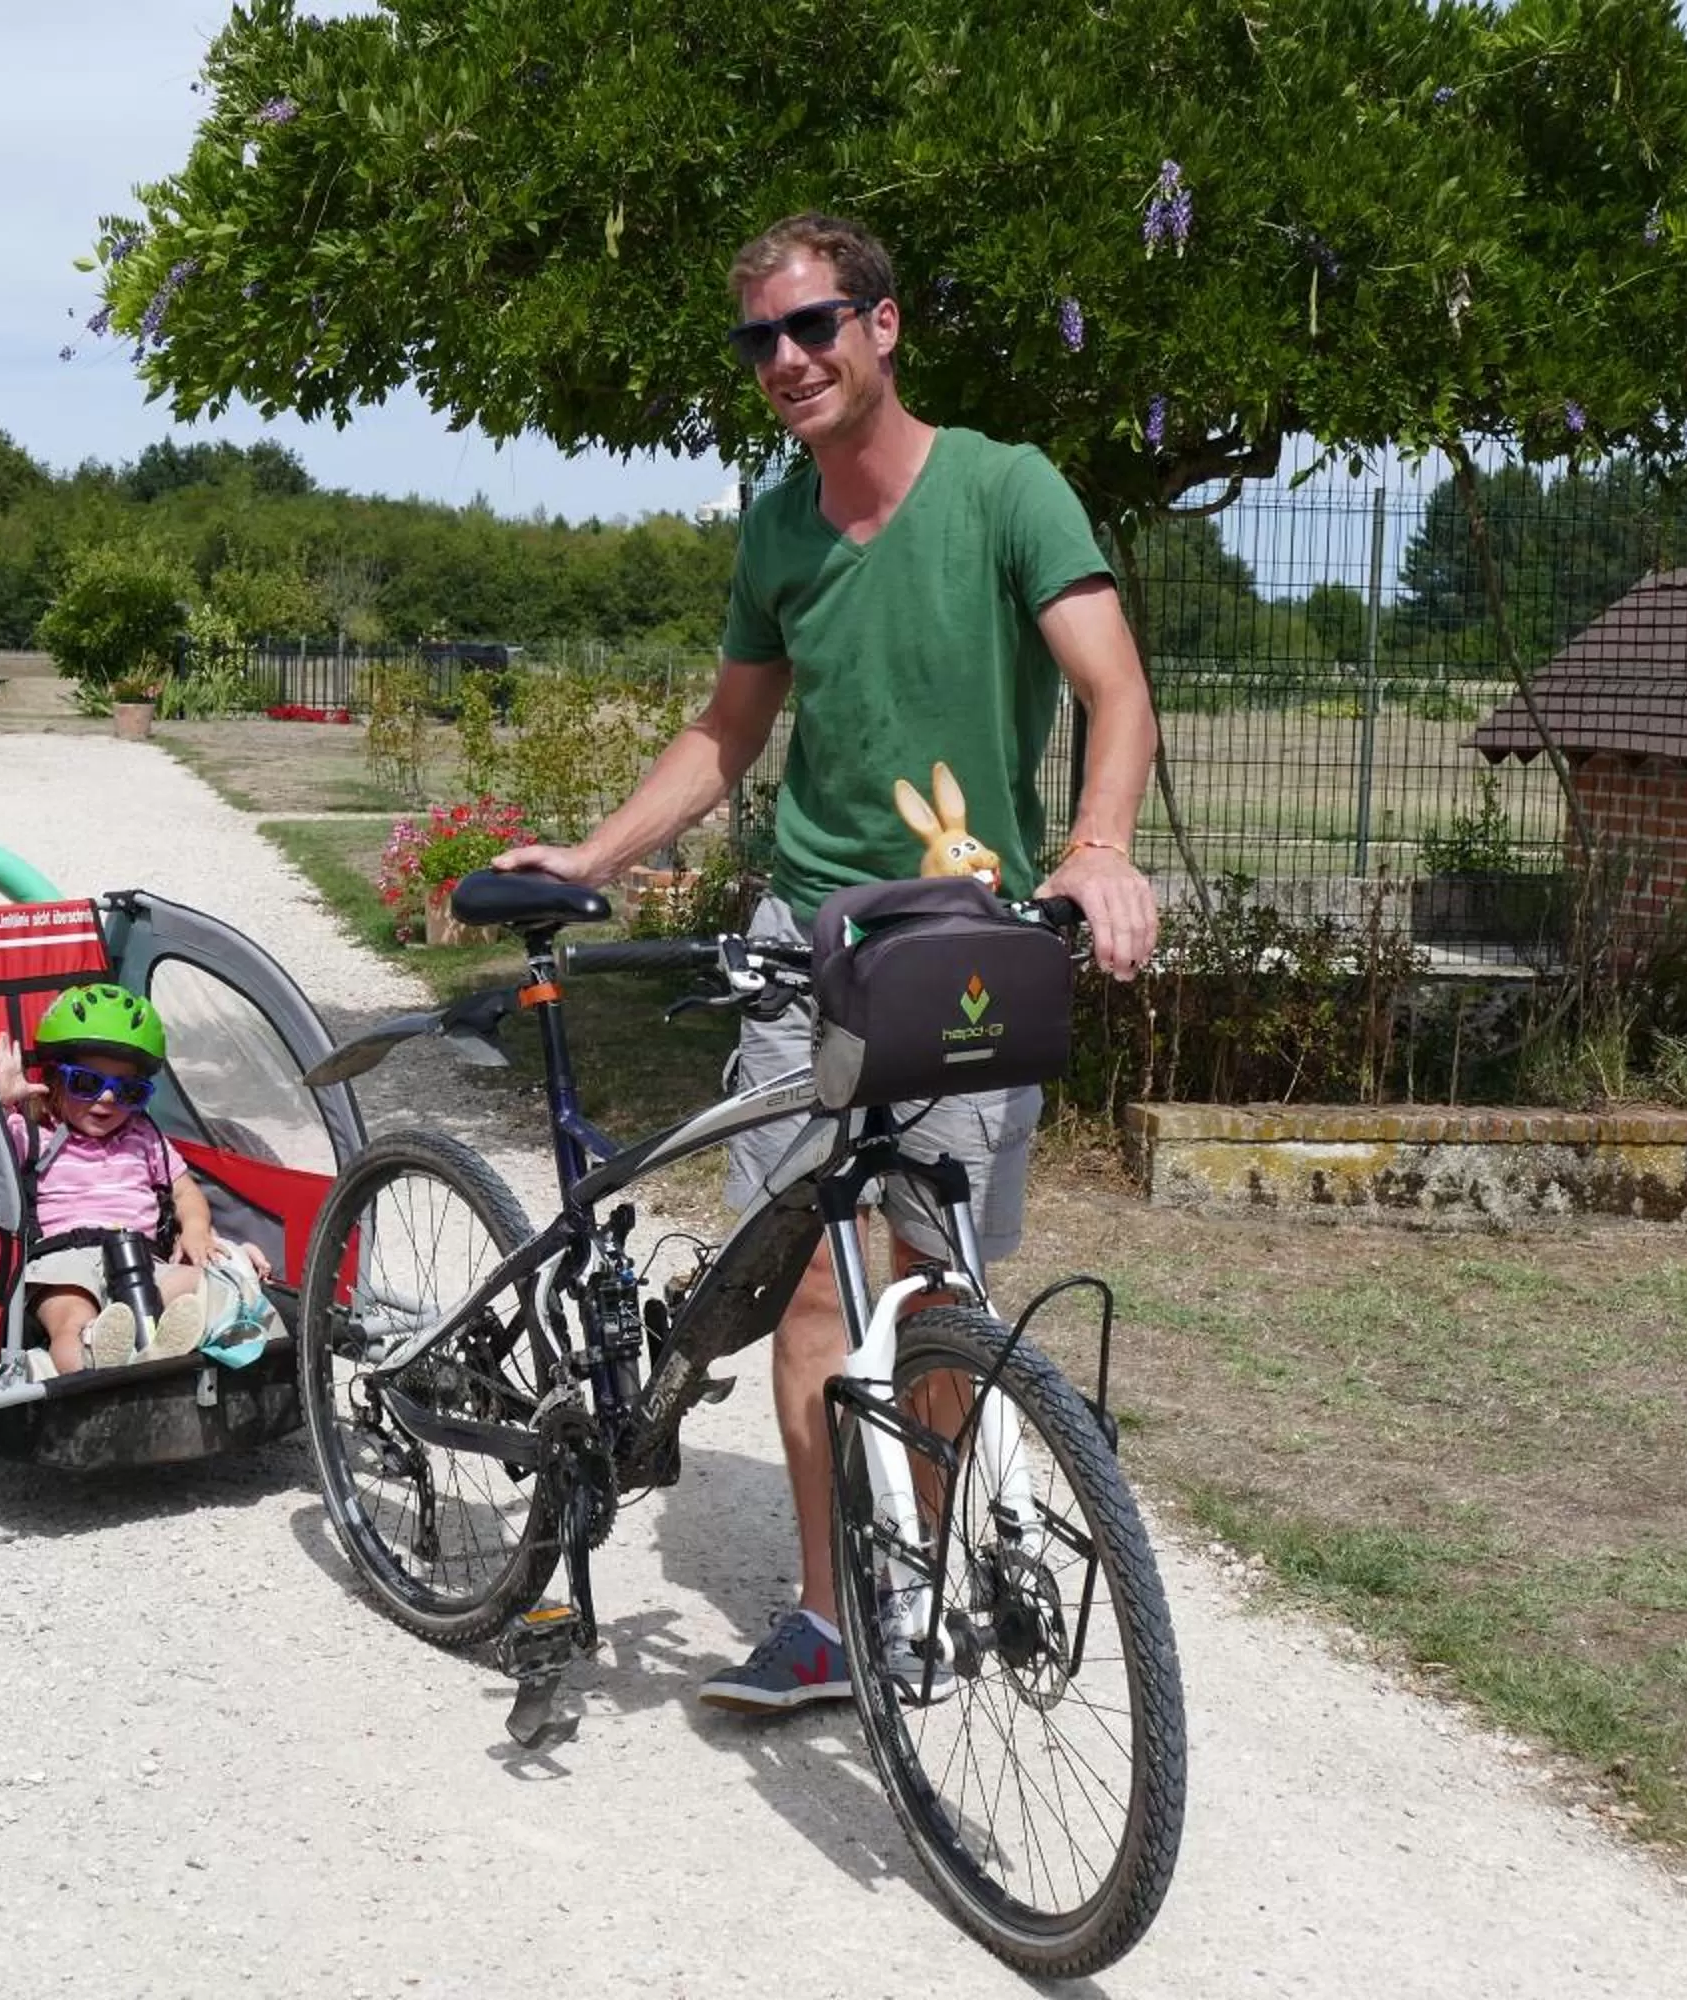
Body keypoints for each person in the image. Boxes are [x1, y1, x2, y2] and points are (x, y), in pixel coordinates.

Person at [496, 211, 1163, 1712]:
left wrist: (1102, 846)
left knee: (932, 1285)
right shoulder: (780, 526)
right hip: (809, 945)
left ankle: (920, 1578)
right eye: (761, 340)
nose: (787, 360)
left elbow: (1114, 687)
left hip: (966, 947)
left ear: (882, 327)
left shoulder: (1004, 488)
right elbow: (728, 732)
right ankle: (825, 1614)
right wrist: (594, 857)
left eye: (814, 327)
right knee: (808, 1287)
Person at [0, 983, 271, 1377]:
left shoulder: (144, 1136)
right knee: (71, 1319)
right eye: (87, 1083)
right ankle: (85, 1352)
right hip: (63, 1260)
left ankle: (153, 1344)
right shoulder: (31, 1133)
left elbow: (185, 1191)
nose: (107, 1099)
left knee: (206, 1286)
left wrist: (197, 1229)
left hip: (142, 1260)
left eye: (128, 1091)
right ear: (55, 1079)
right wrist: (0, 1105)